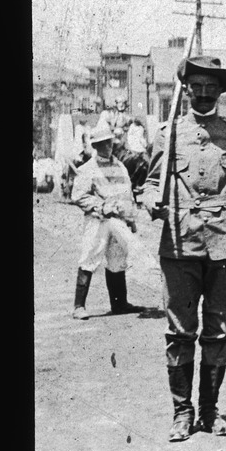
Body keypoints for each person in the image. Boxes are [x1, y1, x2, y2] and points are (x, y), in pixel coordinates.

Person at [139, 56, 226, 442]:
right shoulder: (167, 134)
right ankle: (182, 412)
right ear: (186, 89)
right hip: (179, 243)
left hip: (225, 244)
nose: (205, 93)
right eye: (198, 86)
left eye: (212, 87)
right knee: (179, 331)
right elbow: (151, 182)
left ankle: (210, 411)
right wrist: (149, 201)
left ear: (220, 92)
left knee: (219, 331)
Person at [71, 123, 145, 319]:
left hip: (119, 221)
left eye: (109, 143)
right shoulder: (87, 169)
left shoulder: (120, 166)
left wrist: (131, 219)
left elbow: (128, 193)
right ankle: (79, 306)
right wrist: (101, 205)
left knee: (117, 260)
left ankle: (119, 304)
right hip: (98, 221)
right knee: (90, 257)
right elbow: (78, 196)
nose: (107, 147)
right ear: (95, 146)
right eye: (102, 144)